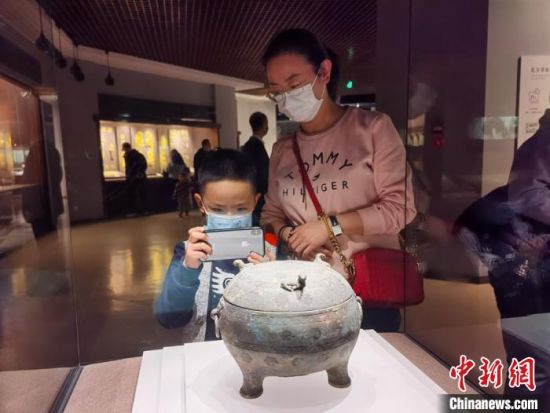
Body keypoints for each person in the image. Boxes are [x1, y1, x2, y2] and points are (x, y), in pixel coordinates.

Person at [260, 28, 416, 332]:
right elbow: (270, 216)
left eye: (294, 83)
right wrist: (293, 236)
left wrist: (327, 226)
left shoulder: (372, 129)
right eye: (276, 90)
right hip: (306, 292)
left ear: (324, 72)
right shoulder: (282, 150)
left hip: (368, 291)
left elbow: (400, 209)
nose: (286, 96)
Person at [154, 149, 272, 341]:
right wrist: (187, 270)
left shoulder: (270, 255)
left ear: (255, 201)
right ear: (201, 203)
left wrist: (274, 281)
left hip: (255, 353)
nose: (230, 217)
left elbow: (284, 322)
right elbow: (169, 319)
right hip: (202, 353)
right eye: (218, 209)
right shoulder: (187, 253)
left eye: (241, 208)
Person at [242, 112, 270, 226]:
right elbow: (262, 174)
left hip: (251, 194)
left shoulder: (248, 145)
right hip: (257, 196)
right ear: (263, 125)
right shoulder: (256, 146)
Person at [122, 142, 147, 215]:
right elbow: (143, 165)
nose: (124, 151)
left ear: (126, 148)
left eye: (124, 149)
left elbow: (131, 168)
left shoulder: (131, 156)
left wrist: (131, 175)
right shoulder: (138, 155)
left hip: (134, 178)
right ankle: (142, 210)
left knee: (135, 194)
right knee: (140, 194)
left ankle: (136, 210)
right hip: (139, 178)